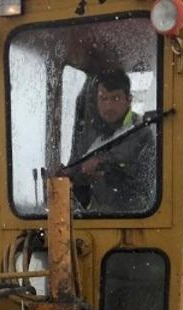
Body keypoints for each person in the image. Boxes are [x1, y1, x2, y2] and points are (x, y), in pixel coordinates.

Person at [64, 70, 155, 214]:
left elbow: (145, 191)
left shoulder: (143, 134)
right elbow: (75, 171)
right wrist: (68, 176)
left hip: (132, 222)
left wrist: (106, 168)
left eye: (116, 98)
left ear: (129, 99)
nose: (109, 106)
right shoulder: (86, 134)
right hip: (90, 222)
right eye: (103, 98)